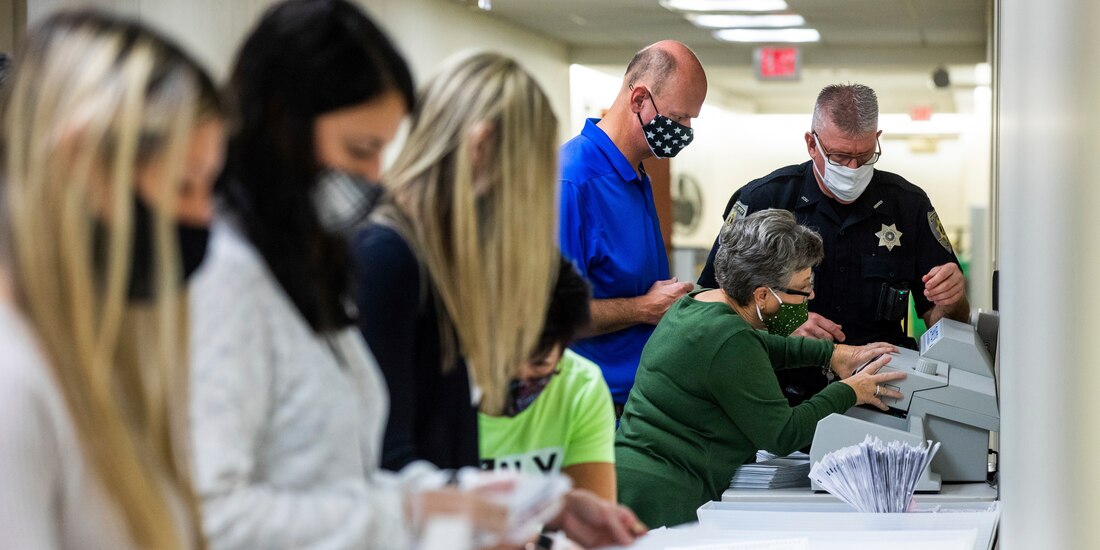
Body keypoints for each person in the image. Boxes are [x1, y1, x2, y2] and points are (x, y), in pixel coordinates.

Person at [188, 2, 514, 548]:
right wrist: (410, 515)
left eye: (382, 151)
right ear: (281, 124)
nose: (374, 176)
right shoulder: (226, 275)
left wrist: (464, 503)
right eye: (361, 150)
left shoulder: (307, 264)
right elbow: (212, 514)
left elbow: (345, 473)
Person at [355, 50, 642, 548]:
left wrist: (551, 504)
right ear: (481, 149)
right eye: (521, 189)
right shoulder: (390, 259)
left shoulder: (435, 264)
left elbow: (442, 462)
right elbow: (388, 468)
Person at [0, 10, 224, 548]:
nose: (203, 217)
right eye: (184, 184)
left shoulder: (105, 348)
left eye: (210, 186)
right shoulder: (14, 381)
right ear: (78, 159)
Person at [616, 209, 907, 528]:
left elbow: (759, 348)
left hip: (631, 476)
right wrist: (851, 391)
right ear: (763, 295)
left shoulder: (697, 303)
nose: (811, 295)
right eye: (803, 288)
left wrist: (832, 353)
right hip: (663, 497)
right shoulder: (731, 340)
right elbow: (783, 434)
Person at [697, 83, 969, 404]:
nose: (853, 169)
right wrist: (781, 329)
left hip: (881, 393)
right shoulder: (764, 200)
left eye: (864, 155)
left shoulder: (909, 207)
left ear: (877, 140)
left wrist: (952, 300)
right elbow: (706, 306)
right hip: (781, 396)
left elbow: (944, 324)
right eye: (840, 156)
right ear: (812, 144)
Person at [559, 40, 707, 410]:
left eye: (691, 120)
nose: (685, 130)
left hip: (641, 402)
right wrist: (643, 308)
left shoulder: (637, 176)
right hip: (593, 409)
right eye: (677, 118)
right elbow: (550, 314)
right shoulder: (572, 182)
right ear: (639, 99)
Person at [479, 257, 618, 502]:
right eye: (505, 364)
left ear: (563, 350)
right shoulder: (441, 385)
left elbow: (593, 513)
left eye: (539, 364)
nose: (520, 377)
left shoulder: (580, 388)